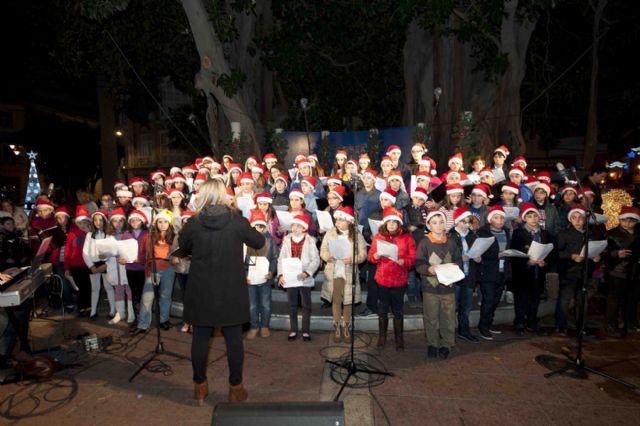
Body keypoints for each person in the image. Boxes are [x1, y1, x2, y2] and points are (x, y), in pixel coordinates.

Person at [178, 179, 265, 404]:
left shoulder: (194, 223)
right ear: (224, 195)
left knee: (199, 339)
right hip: (230, 290)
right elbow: (258, 240)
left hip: (201, 290)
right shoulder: (236, 220)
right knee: (233, 340)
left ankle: (199, 387)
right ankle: (235, 389)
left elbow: (183, 245)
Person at [415, 209, 462, 359]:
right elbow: (418, 263)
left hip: (448, 287)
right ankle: (432, 343)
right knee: (431, 317)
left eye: (441, 222)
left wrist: (455, 266)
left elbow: (458, 259)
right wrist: (428, 269)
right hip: (430, 287)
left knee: (448, 317)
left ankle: (446, 344)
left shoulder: (451, 242)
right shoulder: (424, 243)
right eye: (434, 223)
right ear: (428, 226)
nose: (439, 225)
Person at [368, 207, 416, 351]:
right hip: (383, 279)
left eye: (395, 222)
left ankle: (399, 338)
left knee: (398, 311)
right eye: (389, 222)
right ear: (385, 223)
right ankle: (382, 337)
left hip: (399, 280)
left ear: (399, 224)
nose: (392, 225)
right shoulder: (378, 237)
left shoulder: (407, 238)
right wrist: (375, 256)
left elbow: (412, 257)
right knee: (382, 310)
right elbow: (371, 256)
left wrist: (404, 261)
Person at [320, 207, 367, 343]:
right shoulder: (330, 233)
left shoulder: (357, 234)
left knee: (348, 301)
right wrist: (326, 256)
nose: (338, 223)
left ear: (349, 221)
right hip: (334, 271)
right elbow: (323, 249)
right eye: (337, 220)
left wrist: (353, 259)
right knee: (336, 300)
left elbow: (363, 253)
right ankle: (337, 327)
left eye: (341, 220)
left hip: (349, 271)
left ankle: (346, 326)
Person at [555, 205, 601, 336]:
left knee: (582, 300)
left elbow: (595, 249)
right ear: (570, 220)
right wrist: (571, 256)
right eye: (574, 218)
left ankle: (581, 326)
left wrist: (596, 256)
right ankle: (561, 325)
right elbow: (557, 253)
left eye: (580, 218)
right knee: (564, 299)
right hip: (569, 271)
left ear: (585, 220)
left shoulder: (590, 234)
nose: (578, 220)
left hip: (585, 271)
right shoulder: (563, 234)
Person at [510, 203, 553, 336]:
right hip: (523, 273)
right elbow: (514, 254)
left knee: (535, 299)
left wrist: (544, 262)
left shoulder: (545, 233)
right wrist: (527, 262)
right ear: (524, 218)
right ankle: (519, 322)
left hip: (538, 272)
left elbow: (551, 252)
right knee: (521, 299)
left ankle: (532, 321)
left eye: (535, 215)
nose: (533, 219)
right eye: (529, 216)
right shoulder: (519, 233)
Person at [133, 209, 178, 334]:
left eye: (165, 222)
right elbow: (142, 254)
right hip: (153, 269)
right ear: (155, 223)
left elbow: (179, 252)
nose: (162, 224)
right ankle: (143, 324)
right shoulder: (148, 237)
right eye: (160, 222)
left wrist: (176, 258)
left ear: (169, 223)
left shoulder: (174, 237)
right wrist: (132, 259)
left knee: (165, 296)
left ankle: (164, 320)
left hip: (168, 269)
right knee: (147, 297)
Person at [277, 214, 320, 342]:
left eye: (299, 226)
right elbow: (281, 259)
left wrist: (307, 272)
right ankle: (293, 329)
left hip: (304, 277)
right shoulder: (287, 240)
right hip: (290, 277)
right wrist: (280, 274)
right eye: (293, 225)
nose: (295, 228)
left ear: (304, 229)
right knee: (292, 305)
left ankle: (305, 330)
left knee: (306, 305)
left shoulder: (310, 241)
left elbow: (315, 260)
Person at [476, 205, 512, 340]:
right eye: (496, 217)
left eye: (502, 217)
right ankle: (483, 327)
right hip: (488, 272)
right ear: (490, 219)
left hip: (502, 271)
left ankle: (489, 323)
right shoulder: (483, 232)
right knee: (489, 300)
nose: (500, 220)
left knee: (496, 300)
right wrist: (496, 255)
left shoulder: (506, 232)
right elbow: (480, 251)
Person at [603, 206, 640, 336]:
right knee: (614, 299)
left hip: (635, 271)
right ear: (620, 220)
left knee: (632, 299)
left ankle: (631, 323)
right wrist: (616, 254)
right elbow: (604, 252)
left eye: (631, 221)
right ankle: (610, 324)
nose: (627, 223)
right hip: (617, 271)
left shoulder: (638, 234)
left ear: (636, 222)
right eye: (625, 220)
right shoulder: (611, 233)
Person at [448, 208, 481, 343]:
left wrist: (478, 258)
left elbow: (477, 251)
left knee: (466, 307)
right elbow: (447, 257)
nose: (467, 225)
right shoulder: (450, 236)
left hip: (469, 276)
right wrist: (462, 259)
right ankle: (448, 333)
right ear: (457, 222)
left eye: (469, 222)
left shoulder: (472, 236)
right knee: (452, 307)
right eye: (464, 222)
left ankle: (464, 330)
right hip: (455, 277)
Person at [245, 209, 279, 339]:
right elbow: (241, 259)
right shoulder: (245, 241)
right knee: (252, 305)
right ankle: (254, 326)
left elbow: (275, 257)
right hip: (250, 279)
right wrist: (244, 275)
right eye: (255, 225)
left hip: (265, 278)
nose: (258, 228)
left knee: (265, 303)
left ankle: (264, 325)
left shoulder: (270, 240)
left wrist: (272, 271)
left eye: (261, 225)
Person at [82, 210, 116, 320]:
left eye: (100, 220)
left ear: (105, 221)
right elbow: (85, 252)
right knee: (95, 288)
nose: (98, 222)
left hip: (106, 264)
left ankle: (112, 310)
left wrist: (106, 264)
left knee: (108, 287)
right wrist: (91, 266)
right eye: (95, 220)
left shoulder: (109, 235)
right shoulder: (89, 235)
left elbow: (113, 251)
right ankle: (93, 311)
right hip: (93, 265)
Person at [64, 207, 93, 317]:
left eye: (84, 222)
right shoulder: (72, 234)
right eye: (80, 222)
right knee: (79, 288)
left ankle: (89, 306)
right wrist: (67, 268)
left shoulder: (91, 233)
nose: (82, 224)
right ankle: (81, 307)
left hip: (88, 265)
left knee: (88, 287)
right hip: (76, 266)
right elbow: (67, 252)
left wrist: (89, 233)